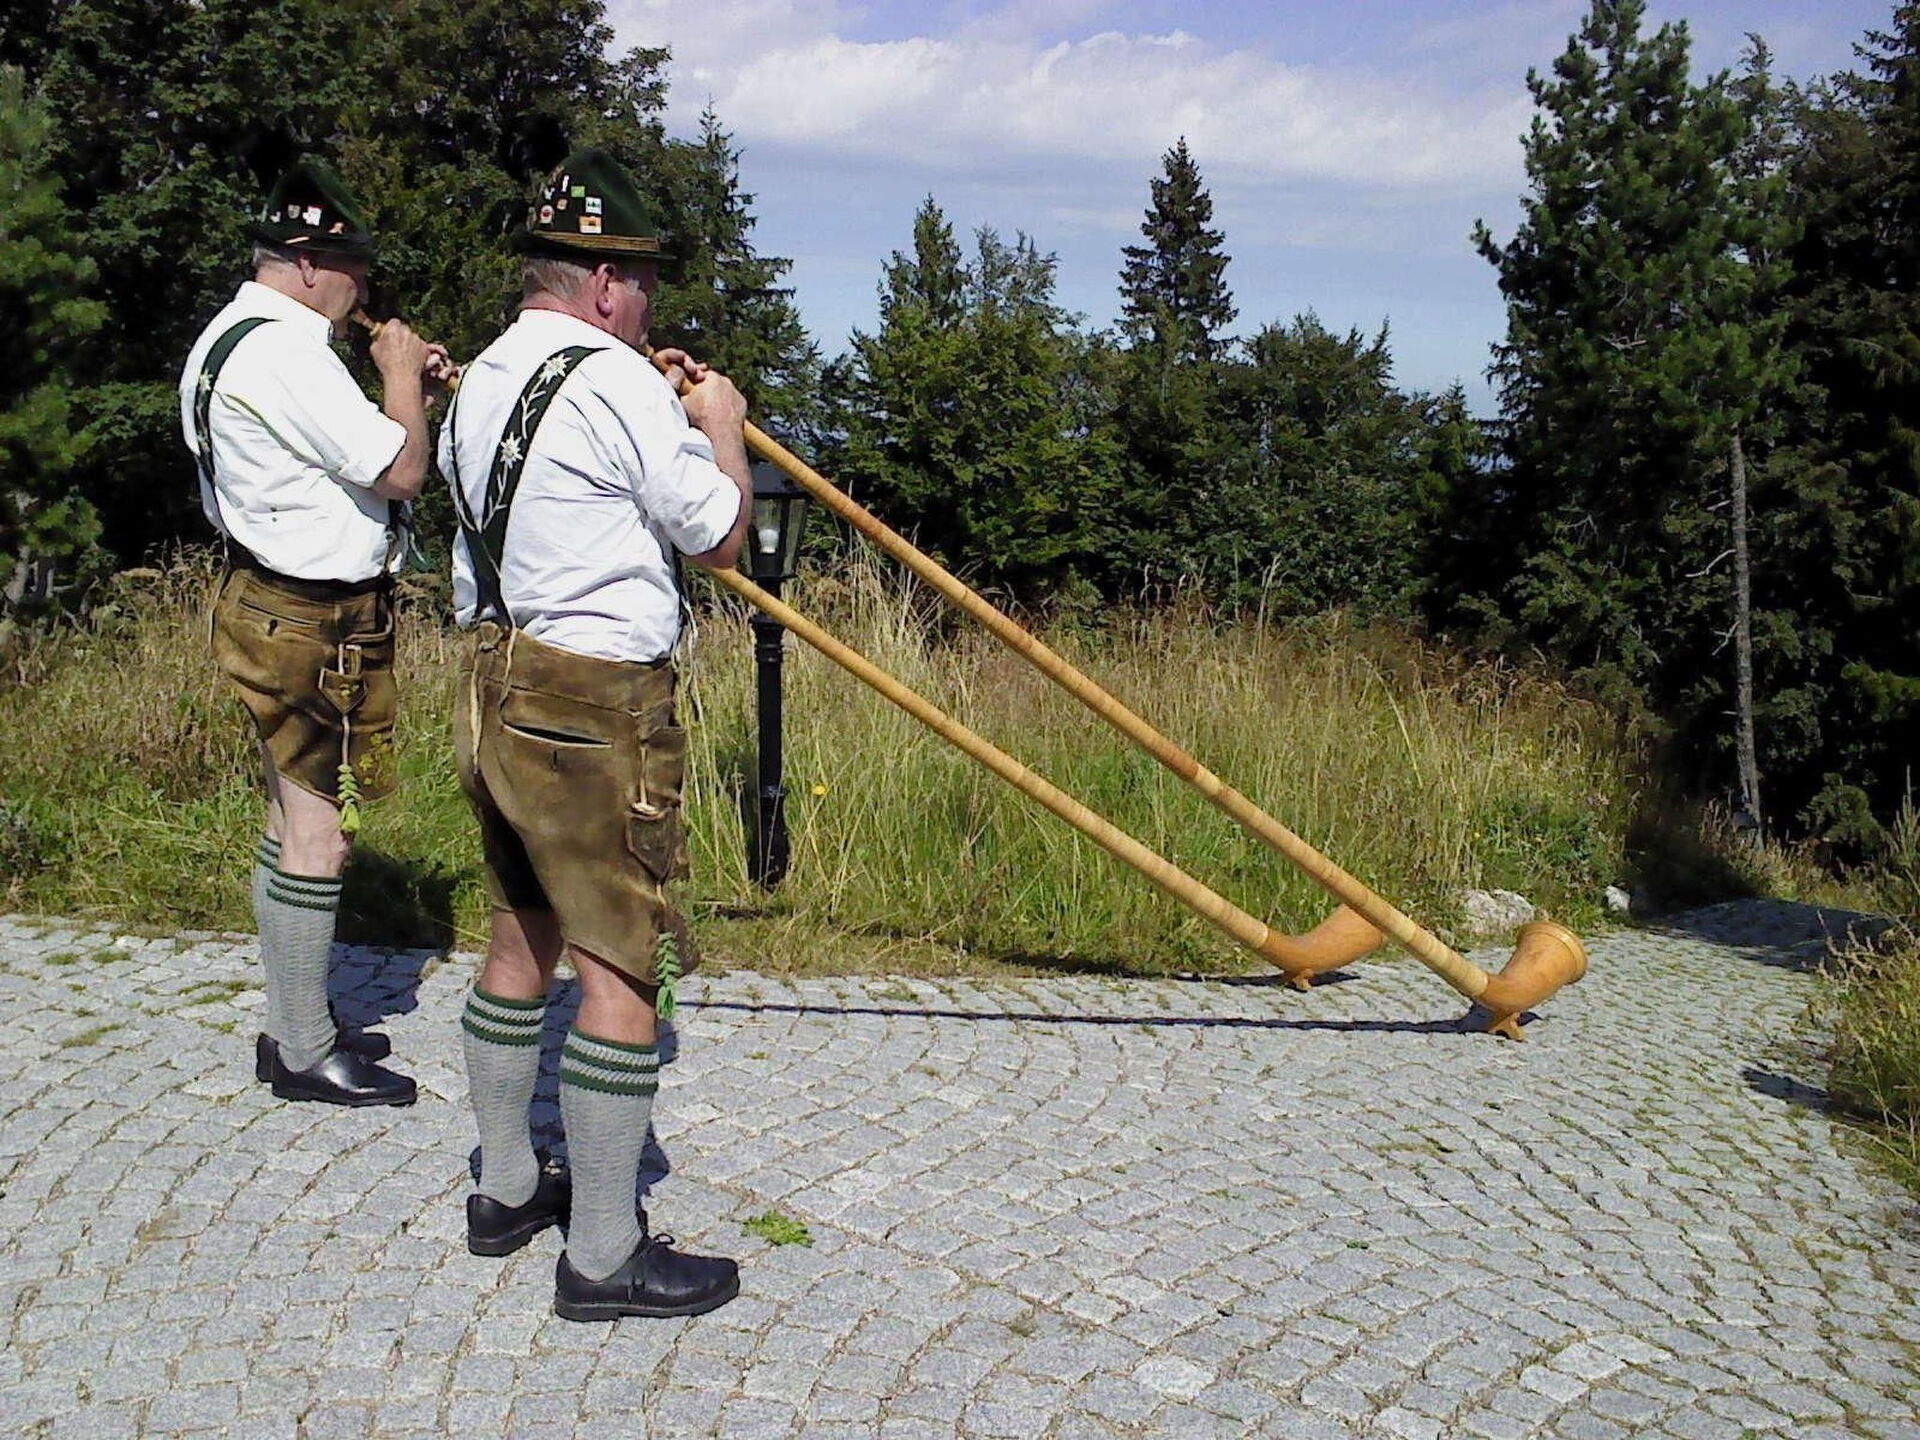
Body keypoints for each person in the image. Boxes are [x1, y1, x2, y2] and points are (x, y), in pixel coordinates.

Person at [441, 148, 751, 1320]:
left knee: (520, 934)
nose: (651, 302)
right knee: (621, 962)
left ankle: (506, 1187)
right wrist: (718, 422)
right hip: (596, 701)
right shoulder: (618, 382)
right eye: (645, 280)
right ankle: (606, 1257)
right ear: (607, 282)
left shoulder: (484, 377)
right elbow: (719, 535)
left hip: (496, 679)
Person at [181, 157, 451, 1106]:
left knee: (285, 819)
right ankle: (301, 1051)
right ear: (304, 263)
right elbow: (400, 470)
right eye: (351, 269)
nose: (362, 288)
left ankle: (295, 1021)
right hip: (311, 616)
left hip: (266, 598)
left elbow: (349, 456)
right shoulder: (286, 355)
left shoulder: (228, 337)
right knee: (319, 836)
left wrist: (410, 392)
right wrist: (399, 376)